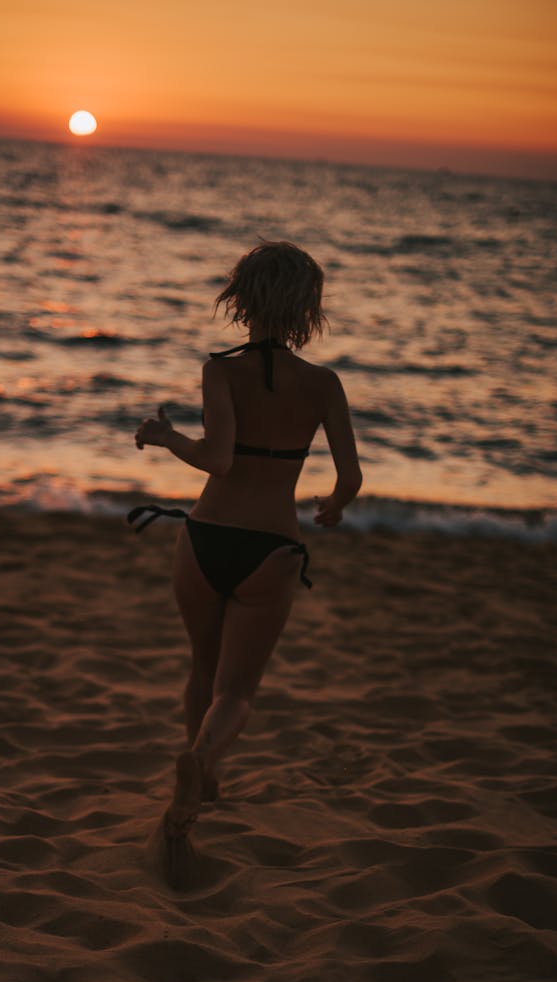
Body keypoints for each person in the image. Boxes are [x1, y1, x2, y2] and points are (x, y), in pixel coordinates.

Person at [132, 240, 362, 849]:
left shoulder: (221, 370)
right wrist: (334, 507)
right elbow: (351, 476)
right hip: (272, 550)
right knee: (236, 691)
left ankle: (196, 779)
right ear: (305, 309)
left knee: (202, 668)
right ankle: (205, 765)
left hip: (205, 538)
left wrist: (165, 436)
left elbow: (217, 460)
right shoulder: (323, 384)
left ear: (242, 298)